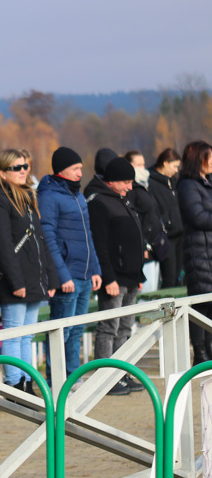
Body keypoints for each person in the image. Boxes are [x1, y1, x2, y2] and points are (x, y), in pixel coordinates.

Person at [0, 149, 57, 393]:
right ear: (2, 172)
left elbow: (41, 240)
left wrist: (51, 277)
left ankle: (27, 382)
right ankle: (14, 384)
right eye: (16, 167)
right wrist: (16, 281)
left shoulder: (26, 195)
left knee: (27, 335)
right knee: (13, 333)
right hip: (15, 277)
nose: (23, 170)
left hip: (34, 276)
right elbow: (2, 243)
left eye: (25, 166)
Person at [37, 147, 102, 383]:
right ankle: (56, 382)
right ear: (61, 170)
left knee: (76, 331)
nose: (80, 173)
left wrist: (94, 269)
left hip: (85, 274)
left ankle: (73, 377)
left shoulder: (78, 195)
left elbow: (88, 235)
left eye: (81, 168)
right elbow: (48, 237)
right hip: (68, 276)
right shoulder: (49, 196)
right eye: (75, 168)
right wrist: (62, 275)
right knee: (60, 332)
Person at [85, 157, 146, 393]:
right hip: (115, 278)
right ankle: (105, 379)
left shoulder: (123, 200)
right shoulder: (99, 203)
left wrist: (138, 275)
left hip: (131, 276)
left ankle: (122, 374)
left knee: (125, 328)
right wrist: (108, 277)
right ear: (111, 181)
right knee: (109, 327)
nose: (129, 187)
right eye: (125, 182)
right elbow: (100, 244)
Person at [177, 141, 212, 364]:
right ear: (198, 159)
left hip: (209, 249)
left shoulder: (207, 182)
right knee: (202, 304)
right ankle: (200, 353)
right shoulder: (188, 185)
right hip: (198, 251)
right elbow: (196, 217)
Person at [126, 151, 165, 292]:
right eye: (138, 165)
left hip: (154, 246)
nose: (143, 168)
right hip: (144, 248)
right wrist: (143, 245)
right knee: (146, 293)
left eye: (143, 164)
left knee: (153, 291)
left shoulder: (145, 186)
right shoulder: (132, 188)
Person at [148, 148, 183, 288]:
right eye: (174, 166)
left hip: (180, 233)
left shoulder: (173, 181)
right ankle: (168, 309)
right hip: (166, 236)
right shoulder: (150, 181)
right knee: (169, 278)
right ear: (165, 163)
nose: (176, 170)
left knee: (179, 277)